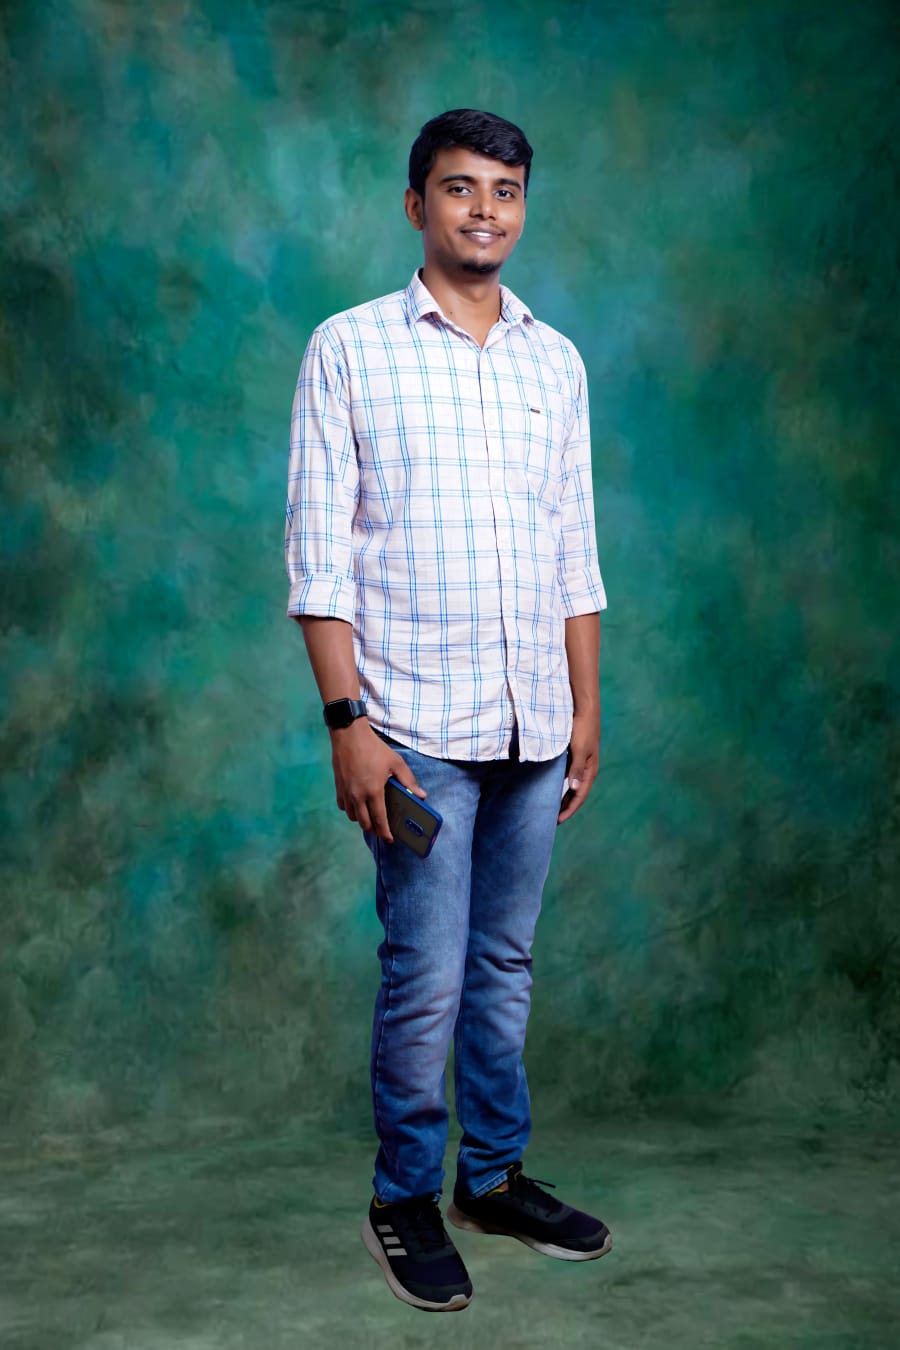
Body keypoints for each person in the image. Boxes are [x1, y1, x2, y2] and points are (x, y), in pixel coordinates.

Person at [285, 108, 611, 1313]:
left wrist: (585, 709)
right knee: (424, 971)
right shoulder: (350, 349)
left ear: (523, 207)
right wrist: (348, 724)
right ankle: (405, 1198)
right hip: (413, 727)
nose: (485, 210)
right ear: (416, 203)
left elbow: (573, 550)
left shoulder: (553, 361)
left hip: (535, 722)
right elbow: (319, 559)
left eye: (506, 190)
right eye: (461, 187)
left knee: (504, 962)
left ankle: (494, 1177)